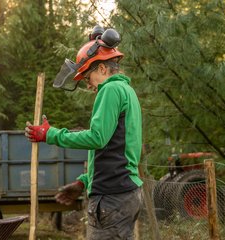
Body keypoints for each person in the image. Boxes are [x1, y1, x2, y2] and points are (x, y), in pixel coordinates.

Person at [25, 26, 143, 240]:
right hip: (123, 192)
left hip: (113, 196)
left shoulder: (110, 90)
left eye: (87, 77)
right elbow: (114, 148)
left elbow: (97, 138)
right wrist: (84, 182)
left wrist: (51, 135)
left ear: (103, 69)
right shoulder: (127, 92)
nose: (88, 85)